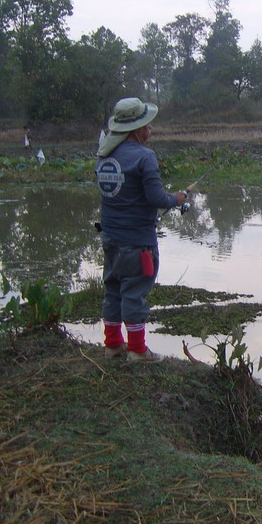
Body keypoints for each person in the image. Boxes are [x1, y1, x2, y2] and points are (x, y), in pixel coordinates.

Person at [95, 97, 187, 363]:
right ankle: (137, 350)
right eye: (147, 126)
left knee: (113, 289)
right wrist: (177, 199)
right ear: (136, 130)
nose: (150, 130)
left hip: (110, 236)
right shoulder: (145, 157)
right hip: (137, 241)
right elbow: (157, 199)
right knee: (134, 292)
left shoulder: (103, 155)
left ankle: (112, 346)